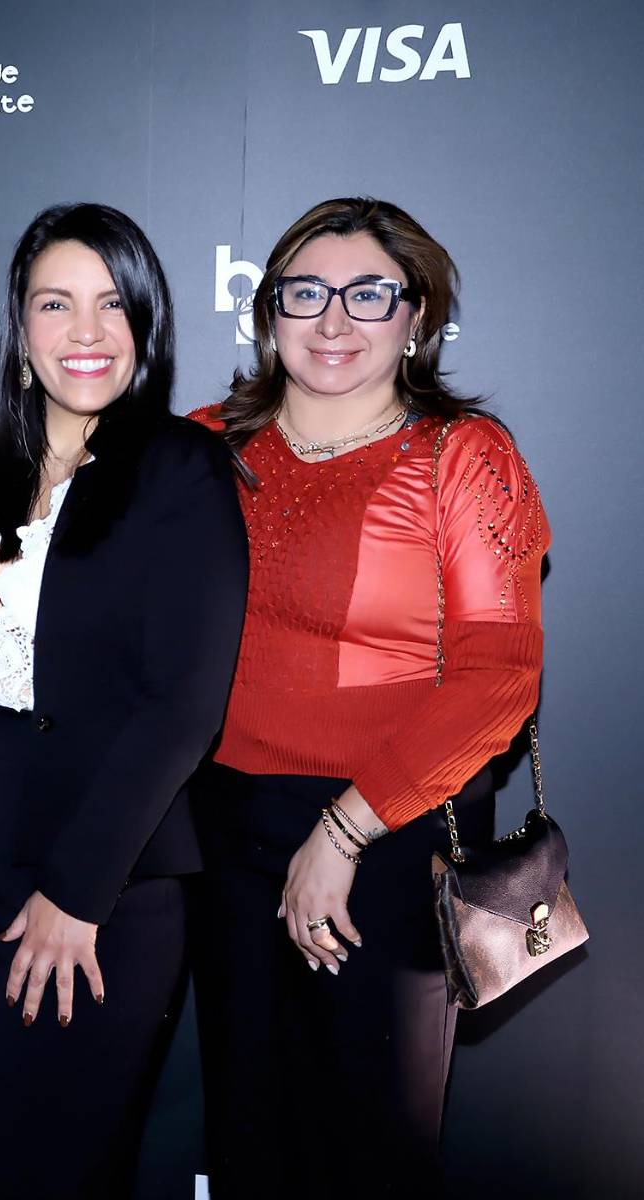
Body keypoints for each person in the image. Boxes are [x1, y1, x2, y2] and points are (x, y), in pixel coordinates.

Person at [0, 202, 249, 1199]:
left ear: (147, 324)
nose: (84, 332)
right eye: (55, 303)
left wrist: (78, 893)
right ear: (19, 324)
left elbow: (182, 706)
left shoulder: (183, 472)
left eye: (111, 305)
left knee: (56, 1170)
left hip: (100, 890)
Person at [188, 197, 549, 1198]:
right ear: (268, 313)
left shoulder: (463, 459)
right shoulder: (203, 447)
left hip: (390, 836)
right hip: (221, 833)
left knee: (370, 1154)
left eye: (367, 294)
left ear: (417, 316)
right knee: (247, 1135)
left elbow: (499, 676)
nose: (333, 320)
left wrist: (341, 835)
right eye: (305, 293)